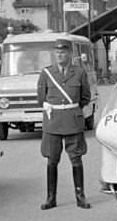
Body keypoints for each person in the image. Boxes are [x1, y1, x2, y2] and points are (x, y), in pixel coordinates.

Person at [36, 39, 92, 210]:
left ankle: (80, 196)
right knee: (52, 160)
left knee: (76, 158)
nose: (59, 55)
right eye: (57, 52)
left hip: (72, 121)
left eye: (63, 52)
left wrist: (71, 109)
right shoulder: (47, 73)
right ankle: (50, 198)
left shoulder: (79, 72)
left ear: (70, 54)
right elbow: (41, 97)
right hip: (53, 122)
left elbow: (85, 96)